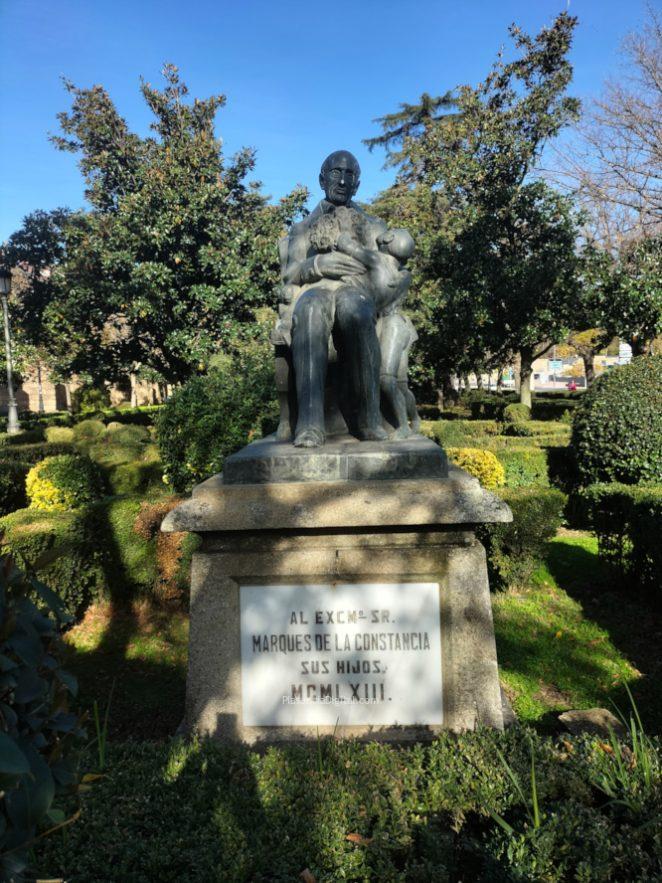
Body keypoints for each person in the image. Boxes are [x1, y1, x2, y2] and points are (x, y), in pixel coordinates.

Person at [283, 150, 388, 448]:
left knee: (354, 308)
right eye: (335, 173)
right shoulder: (303, 227)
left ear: (357, 184)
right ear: (321, 179)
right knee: (312, 309)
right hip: (314, 288)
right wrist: (316, 265)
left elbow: (384, 267)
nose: (342, 180)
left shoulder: (371, 224)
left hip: (355, 289)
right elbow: (289, 273)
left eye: (349, 175)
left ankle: (369, 417)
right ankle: (310, 424)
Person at [334, 228, 420, 437]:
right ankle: (415, 417)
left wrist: (338, 236)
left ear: (388, 239)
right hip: (397, 323)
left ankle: (404, 426)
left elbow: (349, 246)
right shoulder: (405, 274)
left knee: (386, 379)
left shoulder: (377, 259)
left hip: (391, 325)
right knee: (399, 382)